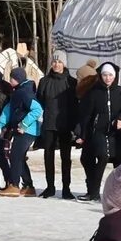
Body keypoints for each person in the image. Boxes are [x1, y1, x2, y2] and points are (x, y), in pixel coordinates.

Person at [76, 61, 121, 201]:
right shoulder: (94, 92)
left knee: (118, 162)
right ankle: (93, 191)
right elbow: (86, 114)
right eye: (105, 75)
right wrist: (82, 134)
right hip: (98, 131)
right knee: (100, 157)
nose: (108, 78)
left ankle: (119, 193)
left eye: (110, 75)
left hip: (115, 133)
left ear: (115, 76)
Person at [37, 56, 78, 199]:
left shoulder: (71, 82)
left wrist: (75, 125)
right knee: (48, 156)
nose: (56, 64)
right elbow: (40, 99)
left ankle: (66, 188)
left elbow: (75, 104)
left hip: (65, 124)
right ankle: (50, 187)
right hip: (49, 123)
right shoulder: (44, 81)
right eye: (54, 61)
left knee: (65, 157)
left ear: (64, 64)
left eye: (59, 61)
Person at [0, 72, 40, 198]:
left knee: (15, 156)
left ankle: (14, 186)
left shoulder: (24, 92)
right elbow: (9, 109)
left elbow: (37, 109)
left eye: (12, 78)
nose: (10, 81)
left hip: (27, 130)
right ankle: (28, 187)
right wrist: (1, 124)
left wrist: (24, 125)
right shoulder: (17, 91)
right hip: (21, 130)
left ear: (18, 79)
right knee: (18, 157)